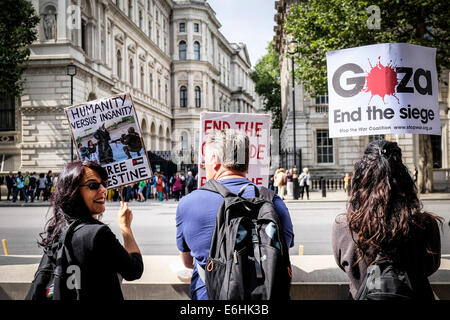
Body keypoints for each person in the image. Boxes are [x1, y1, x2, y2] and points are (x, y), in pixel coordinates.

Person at [175, 129, 294, 300]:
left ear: (215, 161)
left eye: (205, 161)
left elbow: (187, 262)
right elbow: (282, 251)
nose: (204, 165)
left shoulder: (188, 203)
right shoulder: (273, 201)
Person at [332, 140, 442, 300]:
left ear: (362, 176)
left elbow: (344, 265)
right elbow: (431, 266)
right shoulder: (425, 224)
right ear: (404, 176)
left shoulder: (344, 225)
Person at [35, 161, 143, 300]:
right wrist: (126, 228)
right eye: (93, 185)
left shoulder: (60, 229)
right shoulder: (98, 234)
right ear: (73, 191)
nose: (103, 190)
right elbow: (134, 270)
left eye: (104, 184)